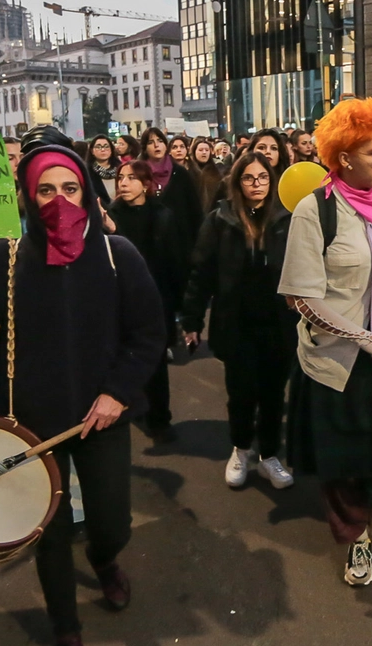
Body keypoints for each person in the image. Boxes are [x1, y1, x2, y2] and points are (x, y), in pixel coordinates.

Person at [0, 143, 166, 646]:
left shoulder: (118, 254)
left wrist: (116, 393)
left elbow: (147, 335)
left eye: (69, 188)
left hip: (100, 420)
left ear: (87, 190)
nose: (58, 201)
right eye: (44, 190)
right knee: (50, 535)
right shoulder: (3, 259)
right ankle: (67, 638)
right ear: (26, 197)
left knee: (113, 520)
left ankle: (105, 558)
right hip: (29, 427)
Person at [279, 98, 372, 587]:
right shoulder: (314, 211)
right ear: (343, 158)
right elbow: (300, 298)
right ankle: (356, 536)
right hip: (337, 361)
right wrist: (364, 337)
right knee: (342, 464)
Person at [183, 152, 298, 491]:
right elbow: (201, 272)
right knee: (241, 392)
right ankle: (241, 449)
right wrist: (191, 318)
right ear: (237, 182)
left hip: (278, 322)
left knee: (274, 392)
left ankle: (269, 455)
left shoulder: (286, 218)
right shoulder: (221, 219)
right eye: (249, 178)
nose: (256, 185)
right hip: (236, 321)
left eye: (262, 178)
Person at [108, 161, 185, 443]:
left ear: (146, 183)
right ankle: (134, 409)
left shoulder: (163, 215)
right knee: (126, 358)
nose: (124, 183)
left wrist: (181, 305)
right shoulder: (111, 217)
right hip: (121, 300)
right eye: (120, 177)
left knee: (155, 361)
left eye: (131, 178)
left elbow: (175, 260)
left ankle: (159, 419)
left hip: (157, 298)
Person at [138, 127, 204, 290]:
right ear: (145, 148)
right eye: (151, 142)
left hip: (180, 244)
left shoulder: (180, 173)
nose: (156, 145)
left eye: (160, 141)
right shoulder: (139, 174)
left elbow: (194, 210)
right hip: (149, 245)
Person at [189, 136, 224, 211]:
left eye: (207, 150)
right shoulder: (189, 172)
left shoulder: (217, 172)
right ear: (194, 152)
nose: (204, 152)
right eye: (201, 150)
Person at [85, 134, 120, 202]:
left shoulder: (120, 168)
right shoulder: (87, 171)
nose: (103, 149)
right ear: (92, 151)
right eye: (98, 147)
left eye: (106, 146)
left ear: (111, 150)